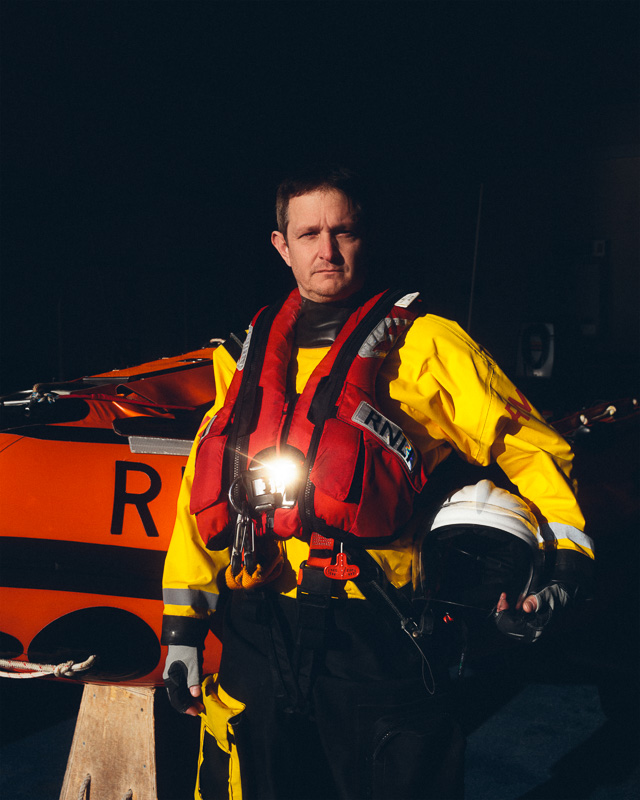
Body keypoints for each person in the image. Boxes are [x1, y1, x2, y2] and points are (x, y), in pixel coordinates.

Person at [161, 165, 594, 800]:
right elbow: (202, 482)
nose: (326, 250)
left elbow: (529, 446)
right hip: (257, 626)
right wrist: (182, 628)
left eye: (343, 231)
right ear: (282, 246)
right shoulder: (249, 352)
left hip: (376, 634)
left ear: (366, 237)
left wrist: (564, 562)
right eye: (307, 234)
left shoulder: (428, 346)